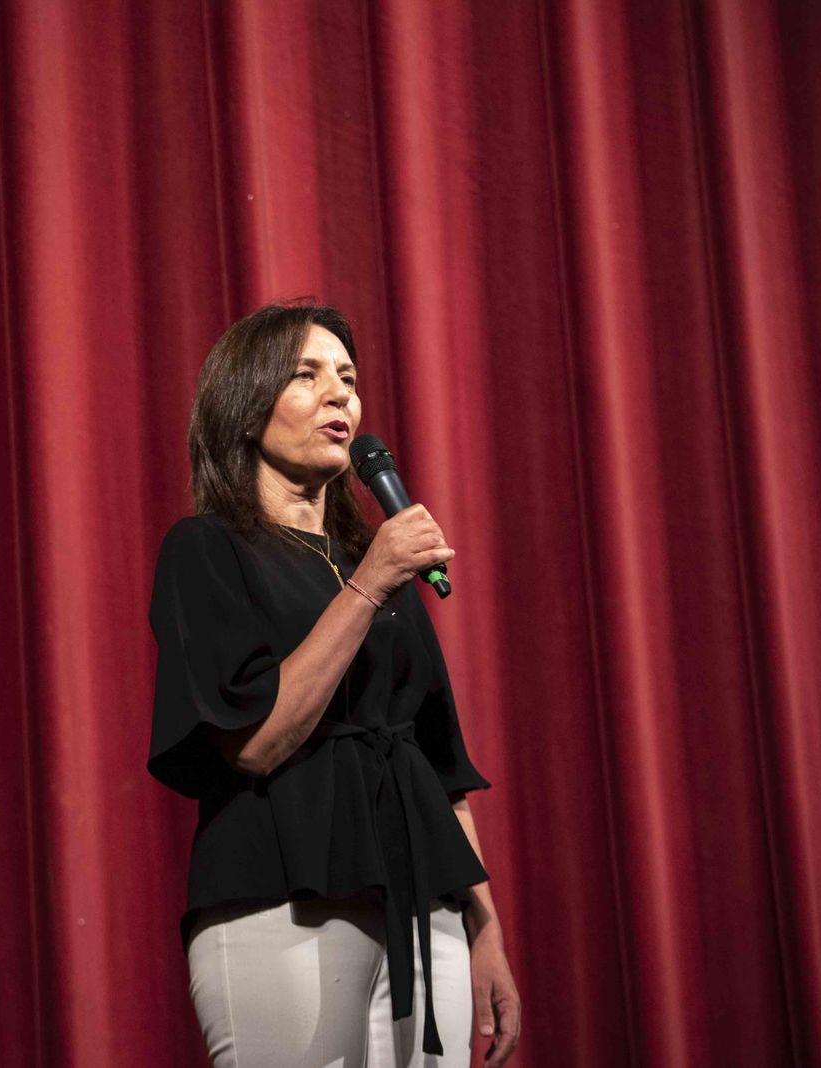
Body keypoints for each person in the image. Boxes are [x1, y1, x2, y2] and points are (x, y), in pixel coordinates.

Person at [147, 301, 520, 1067]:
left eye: (348, 378)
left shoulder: (373, 567)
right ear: (247, 409)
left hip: (425, 902)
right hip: (284, 896)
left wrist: (485, 928)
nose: (339, 395)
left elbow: (438, 763)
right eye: (307, 375)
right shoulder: (209, 549)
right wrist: (369, 587)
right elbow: (254, 742)